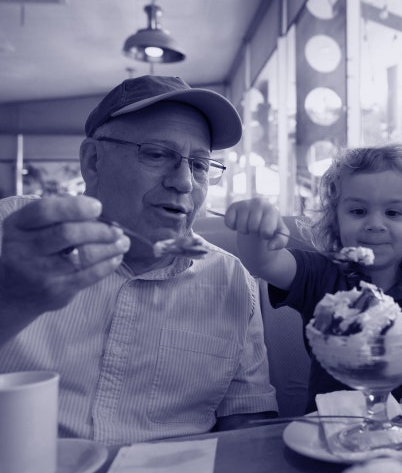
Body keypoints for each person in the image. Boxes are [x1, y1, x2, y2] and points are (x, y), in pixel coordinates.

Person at [0, 75, 278, 445]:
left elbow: (247, 421)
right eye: (157, 153)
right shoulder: (15, 234)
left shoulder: (231, 279)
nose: (183, 182)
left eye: (199, 164)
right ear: (93, 161)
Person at [224, 143, 402, 413]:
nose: (375, 224)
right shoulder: (323, 274)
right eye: (358, 211)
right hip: (334, 431)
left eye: (393, 213)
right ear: (336, 221)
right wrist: (256, 229)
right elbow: (266, 261)